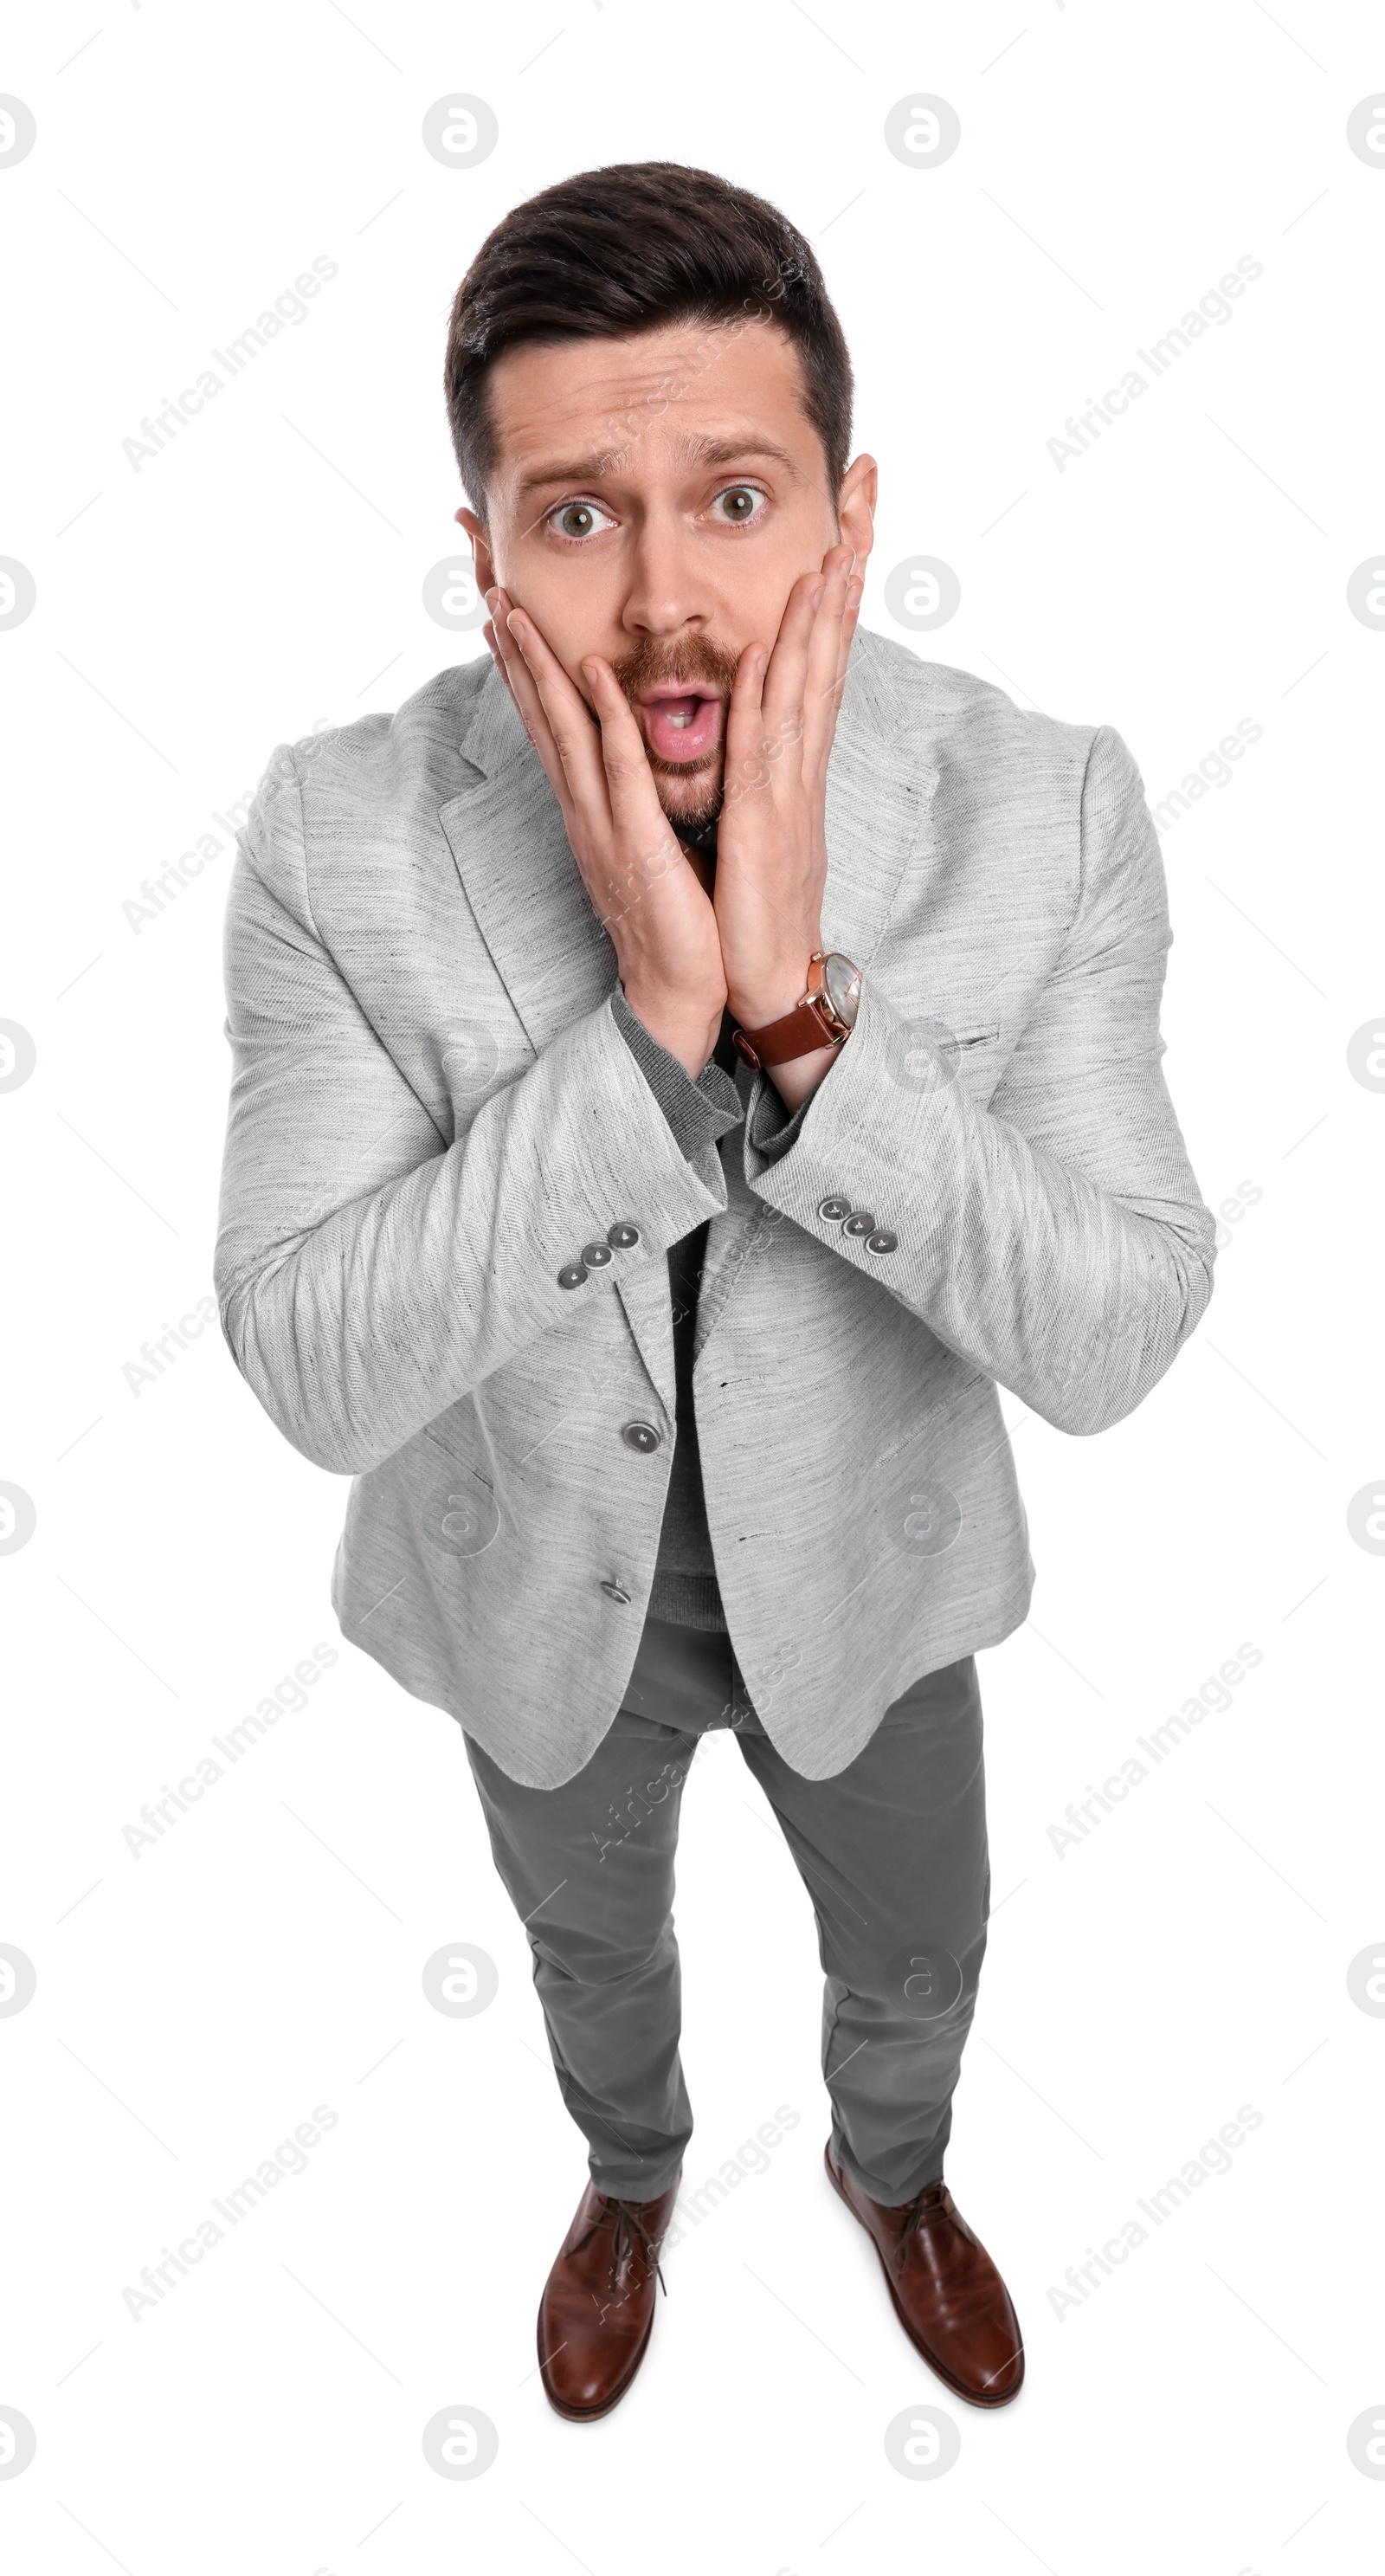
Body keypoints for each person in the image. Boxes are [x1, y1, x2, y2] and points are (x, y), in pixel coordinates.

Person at [215, 160, 1215, 2423]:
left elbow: (1120, 1326)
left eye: (734, 499)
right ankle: (631, 2176)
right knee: (589, 1950)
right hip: (526, 1596)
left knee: (918, 1945)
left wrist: (799, 1021)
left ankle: (901, 2171)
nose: (666, 601)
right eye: (578, 518)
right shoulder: (337, 834)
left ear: (845, 525)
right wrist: (658, 1028)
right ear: (484, 554)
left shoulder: (1040, 810)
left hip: (879, 1566)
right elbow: (313, 1354)